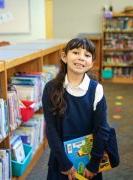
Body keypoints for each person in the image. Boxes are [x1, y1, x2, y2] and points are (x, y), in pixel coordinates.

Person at [42, 38, 110, 180]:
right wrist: (64, 164)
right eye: (76, 52)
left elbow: (102, 129)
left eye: (87, 55)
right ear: (64, 57)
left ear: (92, 62)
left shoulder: (96, 89)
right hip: (60, 161)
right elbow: (51, 129)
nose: (81, 58)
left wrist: (94, 164)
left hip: (89, 161)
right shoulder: (51, 88)